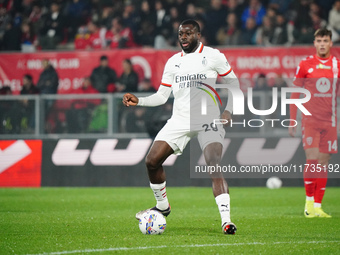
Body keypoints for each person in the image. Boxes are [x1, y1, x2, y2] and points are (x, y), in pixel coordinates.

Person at [122, 19, 239, 234]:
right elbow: (161, 96)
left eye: (188, 33)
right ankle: (163, 207)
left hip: (208, 119)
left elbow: (234, 84)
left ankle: (226, 221)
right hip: (180, 120)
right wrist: (139, 100)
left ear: (198, 34)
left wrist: (229, 110)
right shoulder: (173, 62)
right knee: (151, 161)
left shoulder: (213, 55)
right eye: (180, 34)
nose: (183, 37)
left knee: (213, 163)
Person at [289, 28, 338, 218]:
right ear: (315, 43)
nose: (322, 44)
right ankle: (308, 203)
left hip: (330, 121)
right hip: (310, 120)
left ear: (331, 43)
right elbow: (295, 93)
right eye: (319, 41)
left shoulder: (337, 65)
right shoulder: (305, 64)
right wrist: (293, 119)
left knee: (323, 163)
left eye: (326, 40)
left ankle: (318, 206)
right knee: (312, 158)